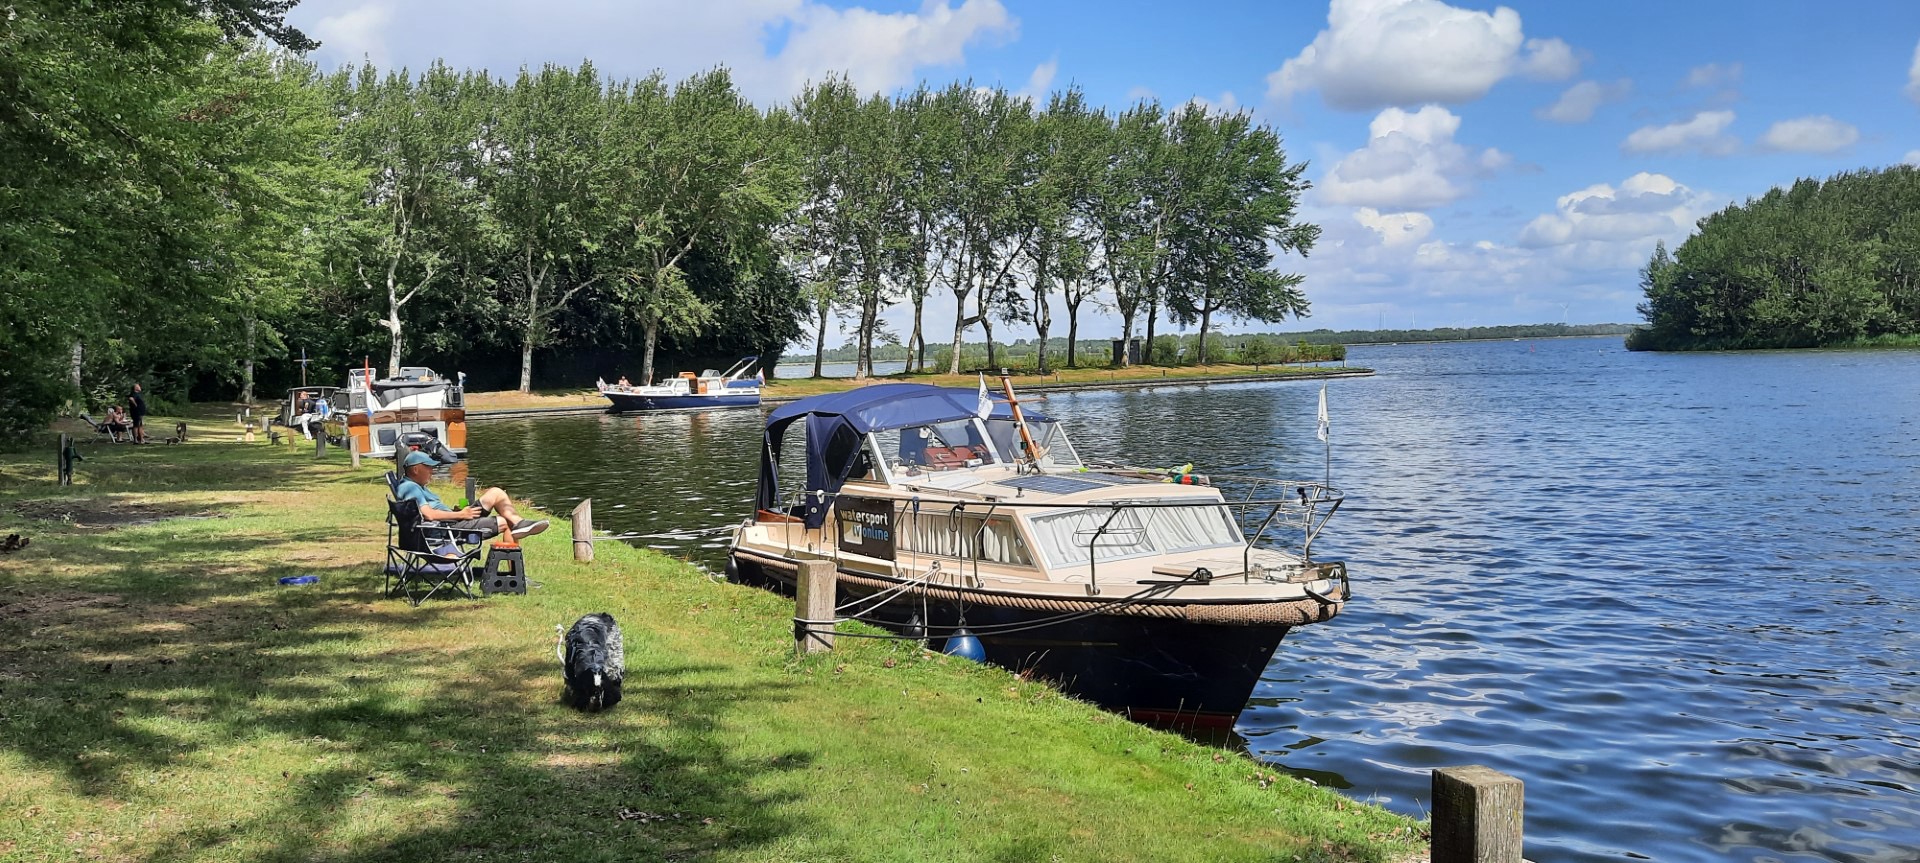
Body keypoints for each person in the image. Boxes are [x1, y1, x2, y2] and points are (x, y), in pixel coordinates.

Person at [394, 450, 548, 540]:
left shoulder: (414, 486)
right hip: (447, 529)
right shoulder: (410, 488)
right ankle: (514, 574)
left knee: (496, 492)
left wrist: (456, 513)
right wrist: (460, 514)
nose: (432, 471)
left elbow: (428, 512)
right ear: (415, 470)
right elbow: (429, 515)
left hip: (452, 522)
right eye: (428, 468)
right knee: (504, 523)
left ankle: (519, 523)